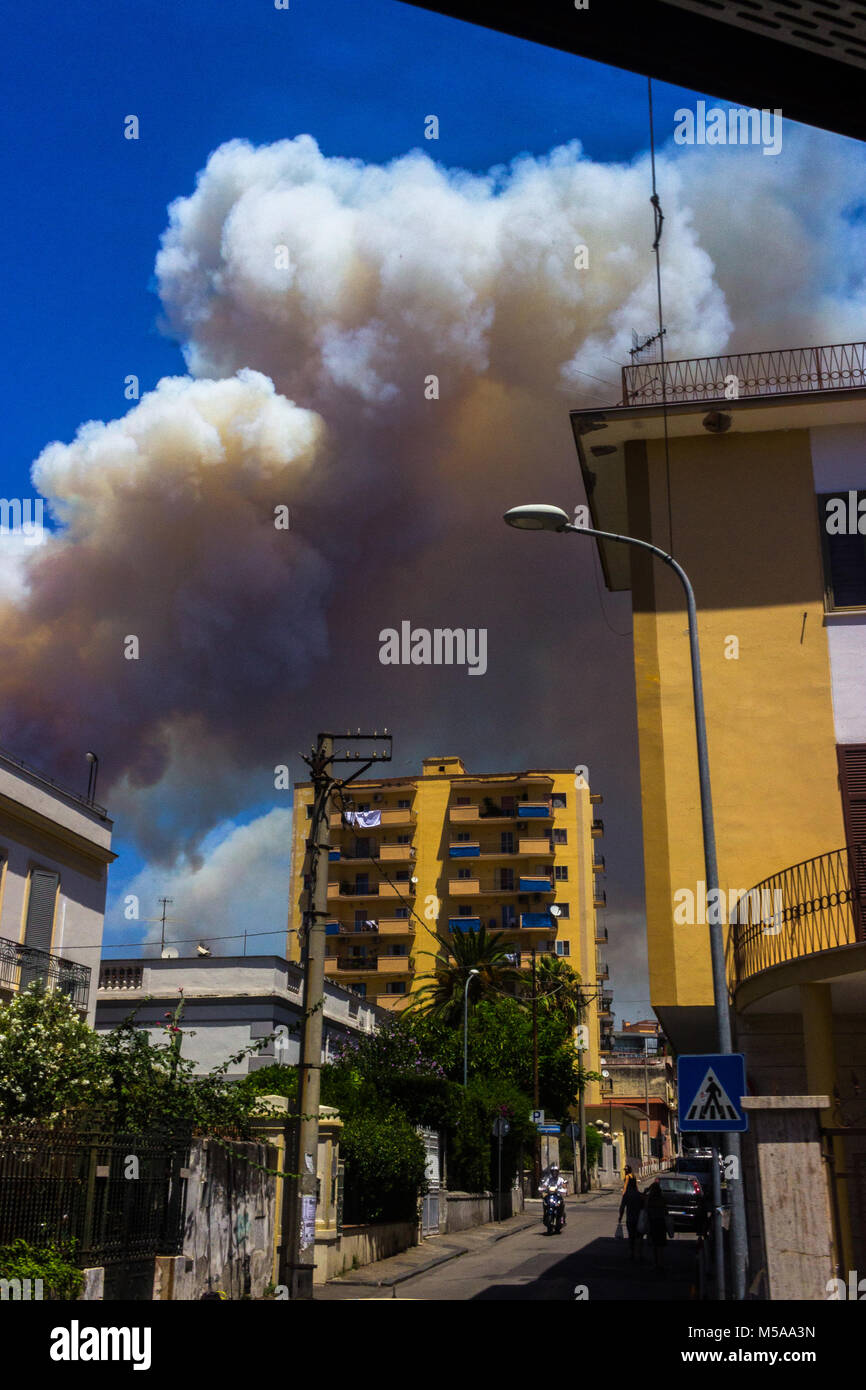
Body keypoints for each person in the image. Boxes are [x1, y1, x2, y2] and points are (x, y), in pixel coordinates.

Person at [618, 1165, 643, 1261]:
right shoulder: (633, 1176)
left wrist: (623, 1193)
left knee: (631, 1236)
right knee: (638, 1236)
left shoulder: (627, 1177)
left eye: (625, 1170)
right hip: (637, 1216)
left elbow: (625, 1186)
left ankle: (632, 1252)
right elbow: (636, 1186)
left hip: (630, 1217)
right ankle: (639, 1253)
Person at [644, 1178, 668, 1270]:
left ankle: (656, 1263)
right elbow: (666, 1212)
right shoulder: (662, 1199)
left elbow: (646, 1209)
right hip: (661, 1223)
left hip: (653, 1223)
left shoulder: (650, 1200)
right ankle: (661, 1263)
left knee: (654, 1244)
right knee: (661, 1245)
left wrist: (646, 1191)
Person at [540, 1163, 568, 1227]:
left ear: (558, 1172)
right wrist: (542, 1188)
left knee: (561, 1204)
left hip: (558, 1196)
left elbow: (564, 1186)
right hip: (550, 1195)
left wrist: (564, 1189)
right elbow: (544, 1185)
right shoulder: (549, 1179)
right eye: (553, 1171)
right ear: (551, 1172)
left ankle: (561, 1218)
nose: (554, 1173)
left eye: (555, 1171)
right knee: (545, 1202)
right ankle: (545, 1215)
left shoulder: (560, 1179)